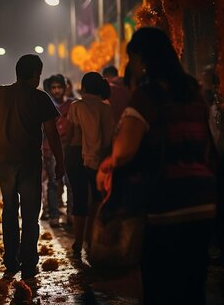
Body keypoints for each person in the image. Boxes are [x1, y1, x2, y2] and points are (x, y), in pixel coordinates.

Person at [97, 27, 217, 304]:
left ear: (141, 59)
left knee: (161, 287)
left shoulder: (147, 95)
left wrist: (108, 164)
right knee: (193, 287)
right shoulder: (192, 90)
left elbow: (125, 152)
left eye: (133, 58)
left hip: (166, 203)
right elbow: (207, 146)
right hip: (203, 201)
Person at [0, 54, 65, 279]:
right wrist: (60, 161)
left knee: (9, 209)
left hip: (3, 162)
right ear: (36, 74)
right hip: (28, 162)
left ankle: (11, 261)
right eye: (39, 73)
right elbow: (52, 134)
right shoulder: (40, 98)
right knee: (30, 214)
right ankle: (28, 263)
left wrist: (0, 147)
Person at [65, 72, 115, 256]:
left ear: (84, 88)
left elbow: (70, 133)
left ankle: (78, 241)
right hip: (100, 157)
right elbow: (109, 137)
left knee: (79, 196)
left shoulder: (76, 106)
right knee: (96, 196)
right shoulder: (106, 108)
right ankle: (90, 237)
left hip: (75, 155)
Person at [41, 74, 74, 228]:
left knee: (69, 182)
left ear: (64, 88)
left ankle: (71, 215)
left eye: (59, 87)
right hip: (51, 149)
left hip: (68, 148)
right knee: (54, 183)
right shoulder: (47, 105)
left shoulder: (72, 105)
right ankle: (54, 215)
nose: (56, 91)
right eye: (53, 88)